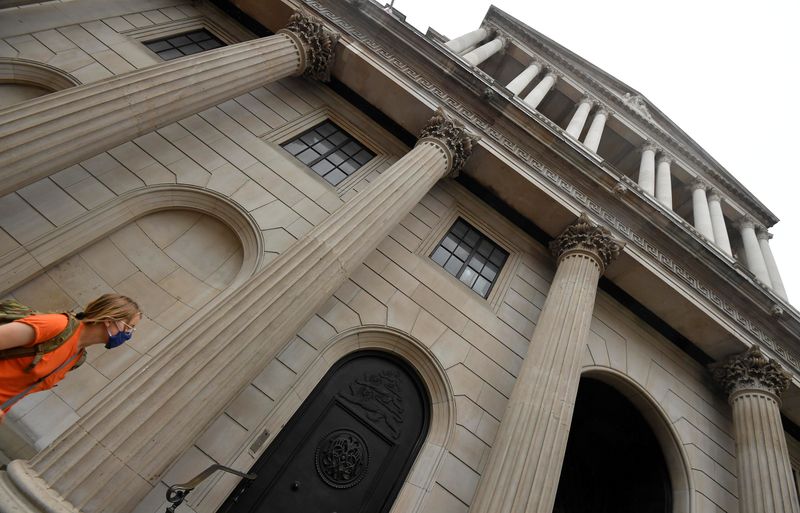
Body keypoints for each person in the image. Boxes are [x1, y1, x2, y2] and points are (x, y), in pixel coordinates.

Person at [0, 293, 141, 422]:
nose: (129, 334)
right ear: (109, 320)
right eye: (129, 327)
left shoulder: (77, 358)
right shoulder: (57, 325)